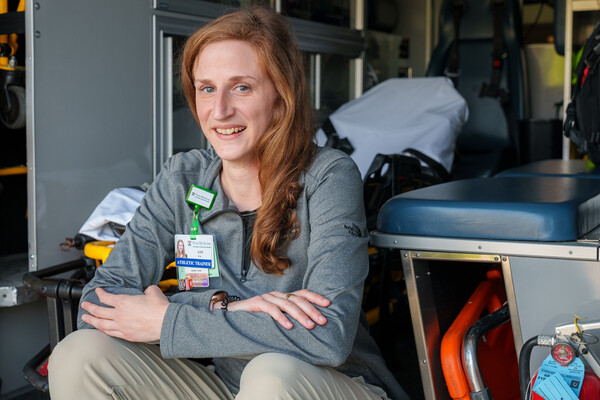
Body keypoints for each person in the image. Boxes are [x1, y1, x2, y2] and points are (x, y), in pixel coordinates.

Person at [48, 6, 410, 400]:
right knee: (78, 355)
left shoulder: (328, 176)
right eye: (206, 88)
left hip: (333, 386)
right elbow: (97, 304)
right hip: (229, 388)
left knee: (270, 376)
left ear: (281, 96)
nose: (219, 111)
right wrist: (224, 307)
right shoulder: (183, 178)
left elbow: (329, 336)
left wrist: (167, 319)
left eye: (242, 87)